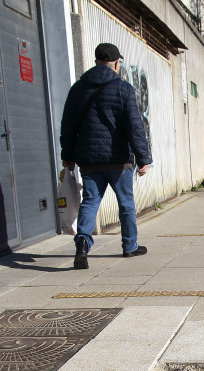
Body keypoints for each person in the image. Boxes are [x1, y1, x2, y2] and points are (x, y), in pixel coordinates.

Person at [60, 42, 152, 269]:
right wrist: (143, 158)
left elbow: (68, 126)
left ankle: (82, 242)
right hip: (117, 158)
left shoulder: (78, 89)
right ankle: (129, 246)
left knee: (90, 201)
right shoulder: (123, 89)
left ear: (96, 62)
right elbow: (134, 126)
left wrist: (68, 156)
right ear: (116, 63)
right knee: (126, 203)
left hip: (89, 159)